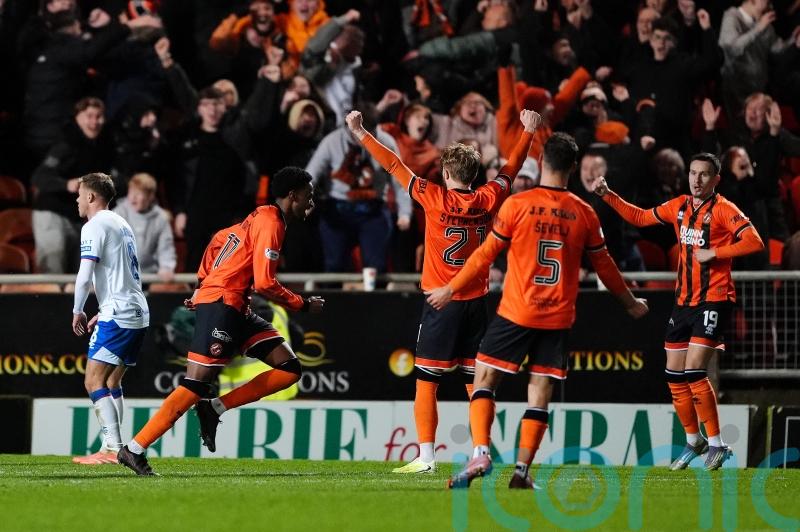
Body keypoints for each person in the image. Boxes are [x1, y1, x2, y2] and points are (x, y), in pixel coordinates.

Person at [426, 133, 649, 489]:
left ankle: (481, 452)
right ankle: (522, 471)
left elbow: (484, 254)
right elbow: (605, 265)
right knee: (540, 390)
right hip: (557, 316)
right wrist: (630, 303)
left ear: (542, 161)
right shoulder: (585, 212)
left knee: (484, 380)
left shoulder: (517, 205)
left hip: (516, 310)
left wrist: (450, 288)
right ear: (573, 168)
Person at [347, 107, 542, 474]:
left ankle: (425, 456)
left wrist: (361, 133)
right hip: (477, 303)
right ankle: (480, 451)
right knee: (477, 383)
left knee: (426, 380)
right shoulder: (488, 198)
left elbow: (392, 165)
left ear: (447, 173)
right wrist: (527, 133)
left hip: (441, 301)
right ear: (474, 174)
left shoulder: (433, 197)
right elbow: (510, 171)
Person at [117, 167, 325, 476]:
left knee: (289, 368)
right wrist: (303, 304)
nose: (312, 201)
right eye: (309, 195)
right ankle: (134, 449)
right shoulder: (271, 223)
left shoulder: (260, 216)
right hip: (223, 304)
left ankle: (214, 407)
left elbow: (219, 241)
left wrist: (203, 283)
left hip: (234, 304)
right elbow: (266, 283)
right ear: (292, 195)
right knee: (196, 383)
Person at [592, 152, 764, 471]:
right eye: (692, 173)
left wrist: (717, 251)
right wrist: (609, 196)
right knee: (674, 374)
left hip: (715, 298)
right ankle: (693, 438)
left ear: (716, 180)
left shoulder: (725, 209)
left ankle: (716, 444)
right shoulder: (680, 206)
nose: (696, 180)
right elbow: (641, 217)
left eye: (703, 175)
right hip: (683, 302)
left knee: (694, 370)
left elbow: (755, 242)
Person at [71, 172, 149, 465]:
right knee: (112, 380)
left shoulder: (94, 226)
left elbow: (84, 275)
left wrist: (78, 309)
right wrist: (103, 311)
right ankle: (112, 445)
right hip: (136, 311)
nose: (77, 200)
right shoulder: (121, 222)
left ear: (91, 196)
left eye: (80, 194)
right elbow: (122, 273)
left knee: (94, 382)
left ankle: (112, 448)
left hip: (119, 312)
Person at [112, 173, 176, 281]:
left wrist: (166, 267)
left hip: (150, 276)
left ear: (150, 196)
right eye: (131, 192)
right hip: (121, 276)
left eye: (138, 193)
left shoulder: (160, 218)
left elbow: (166, 247)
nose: (133, 197)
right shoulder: (118, 214)